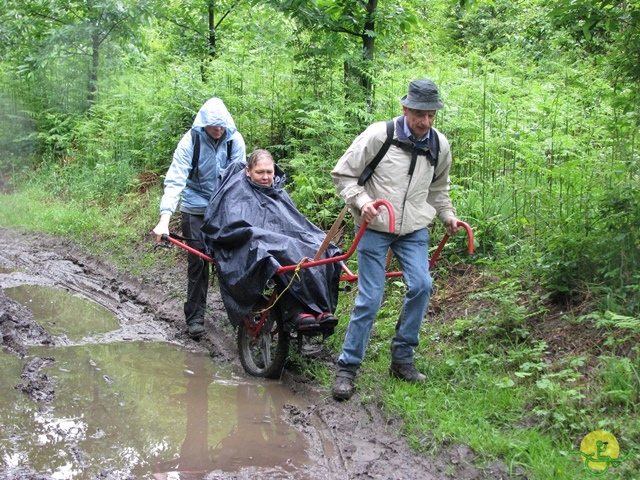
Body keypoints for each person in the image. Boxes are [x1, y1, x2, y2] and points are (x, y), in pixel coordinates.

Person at [329, 79, 463, 400]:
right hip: (374, 227)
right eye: (419, 113)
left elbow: (438, 190)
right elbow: (343, 174)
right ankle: (347, 368)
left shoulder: (439, 145)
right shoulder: (380, 135)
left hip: (414, 229)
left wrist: (448, 216)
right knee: (370, 298)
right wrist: (362, 203)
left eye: (431, 115)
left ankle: (402, 359)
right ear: (405, 108)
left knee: (422, 286)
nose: (425, 121)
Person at [200, 149, 340, 332]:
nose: (266, 177)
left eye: (269, 172)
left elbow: (295, 223)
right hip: (245, 243)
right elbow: (229, 225)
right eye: (260, 172)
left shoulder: (278, 192)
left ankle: (320, 308)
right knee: (281, 252)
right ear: (248, 171)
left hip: (278, 239)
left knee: (319, 247)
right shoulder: (236, 190)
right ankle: (295, 310)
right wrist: (261, 235)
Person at [152, 97, 246, 340]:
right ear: (203, 123)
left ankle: (245, 317)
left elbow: (239, 182)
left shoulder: (234, 140)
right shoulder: (190, 142)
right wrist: (164, 219)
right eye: (213, 125)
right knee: (198, 263)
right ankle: (195, 318)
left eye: (221, 125)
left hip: (224, 207)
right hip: (195, 206)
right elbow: (175, 180)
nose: (218, 129)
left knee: (236, 260)